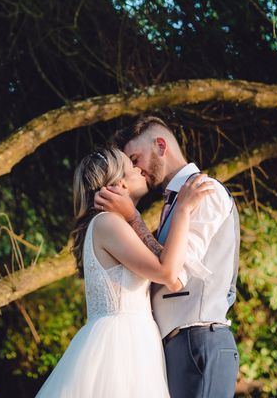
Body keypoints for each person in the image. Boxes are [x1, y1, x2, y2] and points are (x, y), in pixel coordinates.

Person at [36, 147, 214, 398]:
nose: (140, 168)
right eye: (132, 165)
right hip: (120, 344)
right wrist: (183, 210)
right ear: (119, 183)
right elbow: (166, 271)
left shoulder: (115, 225)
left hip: (135, 338)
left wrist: (134, 217)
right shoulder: (107, 223)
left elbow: (173, 280)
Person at [95, 116, 240, 398]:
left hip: (198, 342)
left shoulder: (203, 192)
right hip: (178, 347)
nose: (135, 170)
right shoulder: (174, 203)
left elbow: (175, 273)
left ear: (161, 146)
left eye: (136, 159)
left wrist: (133, 218)